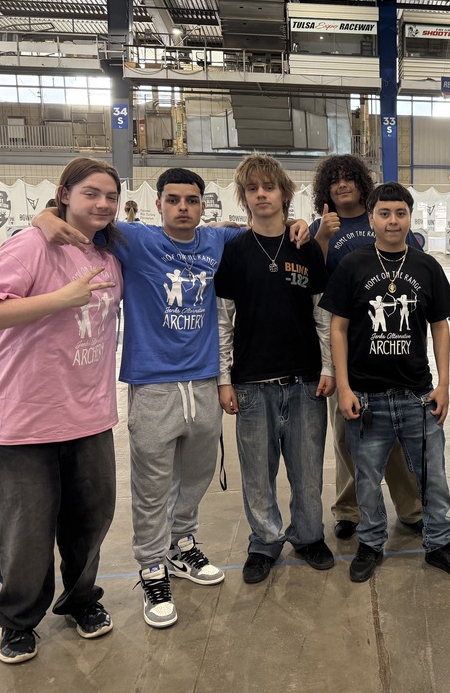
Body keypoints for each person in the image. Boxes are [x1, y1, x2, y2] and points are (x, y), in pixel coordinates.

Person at [33, 167, 311, 628]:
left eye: (192, 200)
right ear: (158, 203)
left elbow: (264, 228)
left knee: (198, 474)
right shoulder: (134, 241)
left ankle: (182, 543)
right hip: (154, 383)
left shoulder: (217, 243)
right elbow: (81, 221)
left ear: (204, 206)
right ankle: (152, 565)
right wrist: (44, 216)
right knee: (152, 483)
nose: (183, 207)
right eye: (174, 199)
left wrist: (301, 222)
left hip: (203, 381)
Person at [0, 158, 124, 664]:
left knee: (90, 520)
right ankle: (17, 620)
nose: (101, 204)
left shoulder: (111, 253)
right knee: (24, 531)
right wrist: (59, 299)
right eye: (91, 193)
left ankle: (80, 601)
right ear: (65, 194)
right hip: (25, 418)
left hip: (90, 415)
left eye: (111, 197)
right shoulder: (31, 245)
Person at [320, 182, 450, 583]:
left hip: (417, 395)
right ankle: (371, 544)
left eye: (400, 213)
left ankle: (439, 543)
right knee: (367, 479)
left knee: (432, 477)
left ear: (410, 217)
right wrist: (345, 387)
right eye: (384, 213)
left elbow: (441, 327)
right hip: (367, 397)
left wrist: (443, 384)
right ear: (370, 218)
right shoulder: (353, 265)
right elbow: (337, 328)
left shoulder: (426, 266)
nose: (392, 221)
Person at [214, 154, 335, 584]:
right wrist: (224, 379)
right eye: (252, 189)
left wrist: (328, 368)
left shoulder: (306, 249)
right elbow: (224, 321)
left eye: (268, 187)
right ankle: (264, 542)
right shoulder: (233, 253)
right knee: (257, 474)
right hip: (251, 384)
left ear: (285, 192)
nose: (261, 194)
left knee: (307, 469)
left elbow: (323, 316)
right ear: (244, 197)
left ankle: (308, 535)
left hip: (305, 382)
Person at [309, 154, 424, 540]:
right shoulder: (322, 225)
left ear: (362, 184)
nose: (342, 186)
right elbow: (312, 276)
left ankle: (411, 507)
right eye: (334, 181)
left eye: (348, 179)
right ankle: (349, 508)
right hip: (346, 341)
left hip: (391, 339)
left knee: (395, 431)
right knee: (346, 435)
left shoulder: (379, 217)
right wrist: (321, 235)